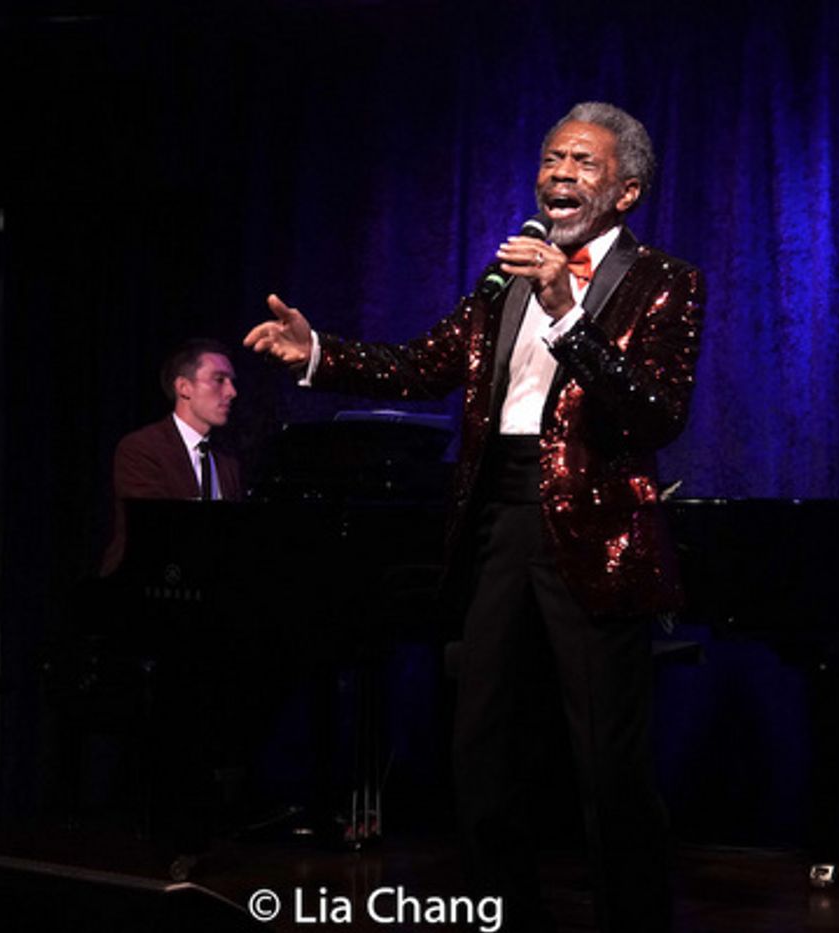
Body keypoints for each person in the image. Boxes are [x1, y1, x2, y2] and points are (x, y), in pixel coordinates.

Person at [244, 101, 704, 932]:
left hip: (595, 531)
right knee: (480, 750)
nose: (560, 173)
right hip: (497, 514)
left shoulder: (664, 281)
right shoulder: (502, 283)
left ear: (627, 191)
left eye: (583, 162)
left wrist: (567, 312)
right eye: (552, 158)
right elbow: (423, 364)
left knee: (608, 765)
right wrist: (317, 352)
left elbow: (655, 412)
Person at [99, 338, 242, 576]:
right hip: (148, 581)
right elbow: (155, 528)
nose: (232, 392)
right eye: (219, 380)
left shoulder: (227, 459)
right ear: (184, 387)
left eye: (231, 382)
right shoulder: (142, 448)